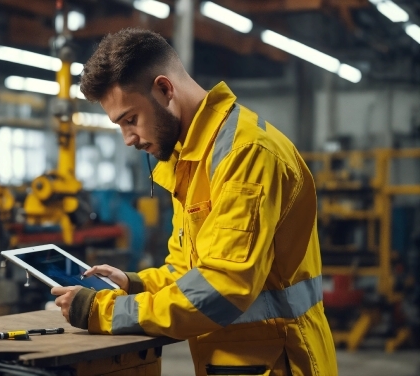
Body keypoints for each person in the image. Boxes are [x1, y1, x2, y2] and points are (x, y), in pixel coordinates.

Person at [51, 28, 338, 376]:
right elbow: (188, 271)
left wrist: (104, 311)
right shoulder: (190, 159)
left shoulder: (245, 155)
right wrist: (135, 284)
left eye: (131, 119)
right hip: (239, 360)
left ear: (164, 89)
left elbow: (223, 287)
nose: (128, 138)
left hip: (280, 362)